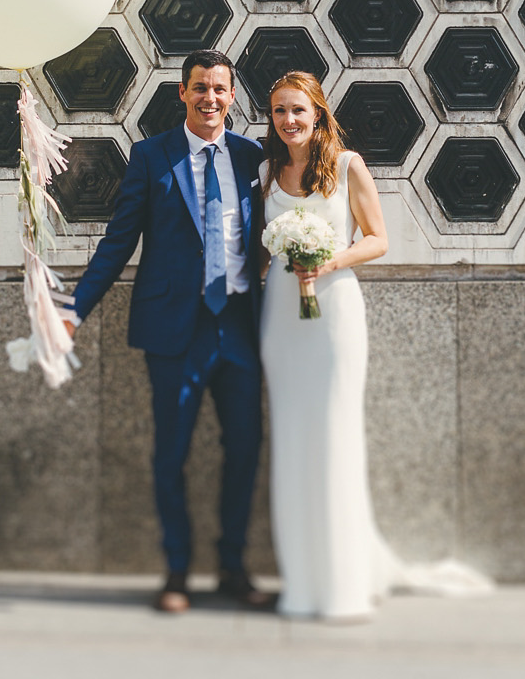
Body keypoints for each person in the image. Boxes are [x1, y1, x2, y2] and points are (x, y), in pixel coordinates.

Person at [64, 48, 273, 615]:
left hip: (238, 327)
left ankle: (232, 565)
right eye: (199, 88)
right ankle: (177, 571)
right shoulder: (151, 156)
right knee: (170, 453)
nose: (210, 98)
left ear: (233, 96)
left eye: (220, 89)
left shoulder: (255, 157)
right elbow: (118, 242)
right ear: (182, 93)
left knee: (246, 450)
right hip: (174, 331)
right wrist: (73, 310)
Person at [259, 70, 392, 620]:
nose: (288, 121)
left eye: (298, 110)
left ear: (318, 114)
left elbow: (380, 240)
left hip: (335, 311)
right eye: (279, 111)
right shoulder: (266, 173)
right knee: (291, 440)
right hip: (281, 320)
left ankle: (341, 584)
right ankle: (303, 582)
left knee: (335, 435)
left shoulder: (346, 166)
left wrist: (328, 260)